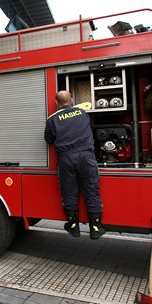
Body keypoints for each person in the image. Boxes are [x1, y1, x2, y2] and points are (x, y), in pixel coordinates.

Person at [44, 90, 106, 240]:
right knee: (91, 190)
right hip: (86, 157)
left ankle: (73, 227)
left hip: (67, 159)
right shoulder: (82, 113)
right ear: (71, 100)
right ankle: (95, 228)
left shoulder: (52, 119)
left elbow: (49, 139)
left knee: (69, 192)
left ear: (56, 103)